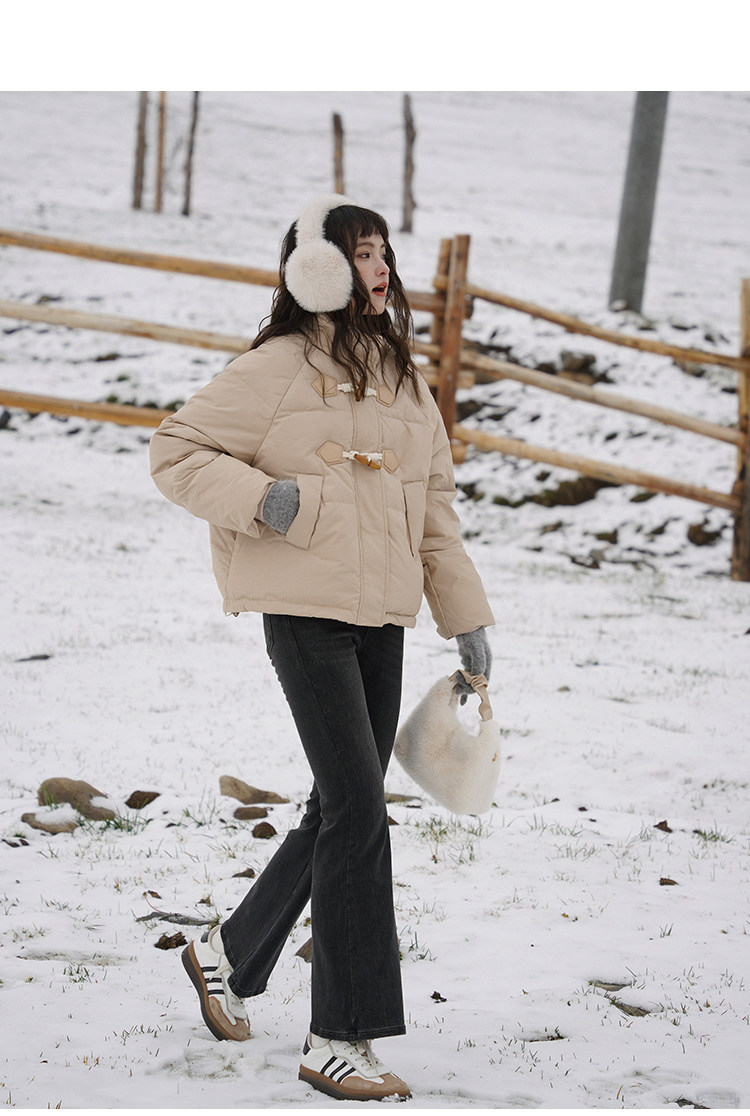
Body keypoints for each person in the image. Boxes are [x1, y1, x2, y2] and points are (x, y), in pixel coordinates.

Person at [149, 195, 495, 1102]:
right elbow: (176, 451)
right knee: (357, 809)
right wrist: (268, 501)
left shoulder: (404, 380)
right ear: (323, 268)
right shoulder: (276, 366)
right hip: (303, 612)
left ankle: (227, 954)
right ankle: (339, 1036)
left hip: (381, 618)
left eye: (385, 252)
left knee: (343, 807)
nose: (381, 268)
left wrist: (465, 617)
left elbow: (435, 511)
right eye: (362, 252)